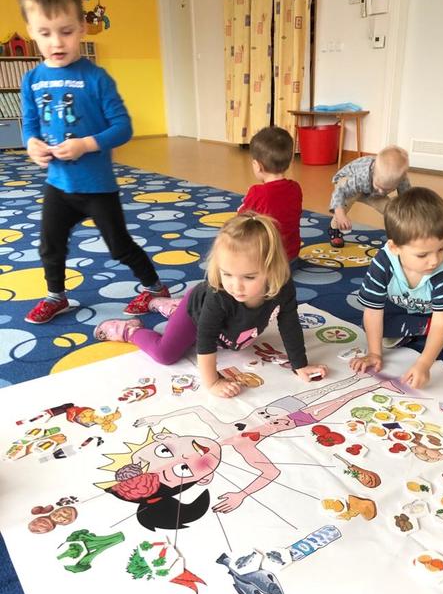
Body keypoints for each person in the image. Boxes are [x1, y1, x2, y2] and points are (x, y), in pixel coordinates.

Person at [19, 0, 168, 324]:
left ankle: (155, 287)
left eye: (66, 31)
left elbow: (122, 128)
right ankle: (56, 296)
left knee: (119, 246)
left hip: (98, 187)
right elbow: (29, 123)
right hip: (58, 185)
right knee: (49, 244)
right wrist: (31, 143)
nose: (56, 42)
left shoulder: (96, 78)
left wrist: (86, 144)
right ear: (31, 32)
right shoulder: (32, 80)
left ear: (82, 28)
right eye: (45, 33)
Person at [94, 213, 328, 398]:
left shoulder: (282, 287)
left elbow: (289, 324)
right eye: (227, 274)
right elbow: (205, 337)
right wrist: (213, 381)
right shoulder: (220, 294)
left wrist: (300, 365)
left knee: (235, 340)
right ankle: (130, 330)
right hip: (196, 312)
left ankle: (169, 307)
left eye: (249, 277)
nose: (236, 286)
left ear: (272, 270)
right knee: (166, 354)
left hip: (223, 322)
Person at [350, 187, 443, 389]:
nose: (435, 261)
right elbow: (373, 311)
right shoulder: (383, 262)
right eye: (422, 255)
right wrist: (374, 353)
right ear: (395, 248)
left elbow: (440, 320)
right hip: (400, 305)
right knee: (369, 325)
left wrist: (423, 364)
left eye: (442, 248)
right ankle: (426, 327)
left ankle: (423, 329)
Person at [238, 126, 302, 262]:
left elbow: (241, 220)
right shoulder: (296, 188)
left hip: (268, 261)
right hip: (292, 257)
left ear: (257, 166)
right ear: (290, 161)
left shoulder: (257, 192)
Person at [328, 145, 410, 248]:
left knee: (391, 208)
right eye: (379, 186)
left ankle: (398, 234)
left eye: (387, 190)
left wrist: (405, 216)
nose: (382, 191)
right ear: (374, 172)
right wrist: (340, 214)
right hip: (347, 185)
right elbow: (340, 192)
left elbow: (407, 199)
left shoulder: (402, 179)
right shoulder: (362, 176)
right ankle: (335, 228)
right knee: (344, 204)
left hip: (371, 192)